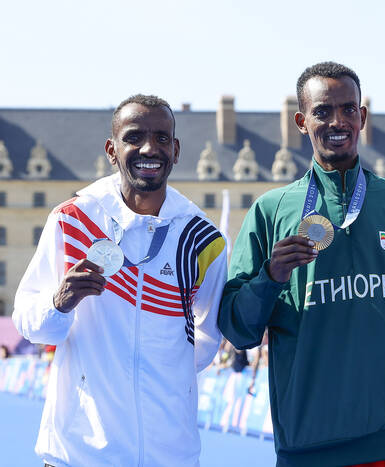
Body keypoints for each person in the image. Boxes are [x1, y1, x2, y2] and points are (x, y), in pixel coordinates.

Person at [218, 62, 385, 467]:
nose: (337, 121)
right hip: (309, 447)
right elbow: (238, 330)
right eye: (323, 111)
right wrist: (269, 278)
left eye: (348, 109)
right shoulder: (270, 212)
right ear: (301, 121)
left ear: (362, 117)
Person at [13, 94, 227, 466]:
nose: (149, 148)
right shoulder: (72, 220)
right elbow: (30, 324)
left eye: (161, 138)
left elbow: (210, 331)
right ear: (112, 150)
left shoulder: (202, 238)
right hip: (78, 454)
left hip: (169, 454)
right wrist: (58, 304)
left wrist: (168, 371)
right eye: (133, 137)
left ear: (176, 150)